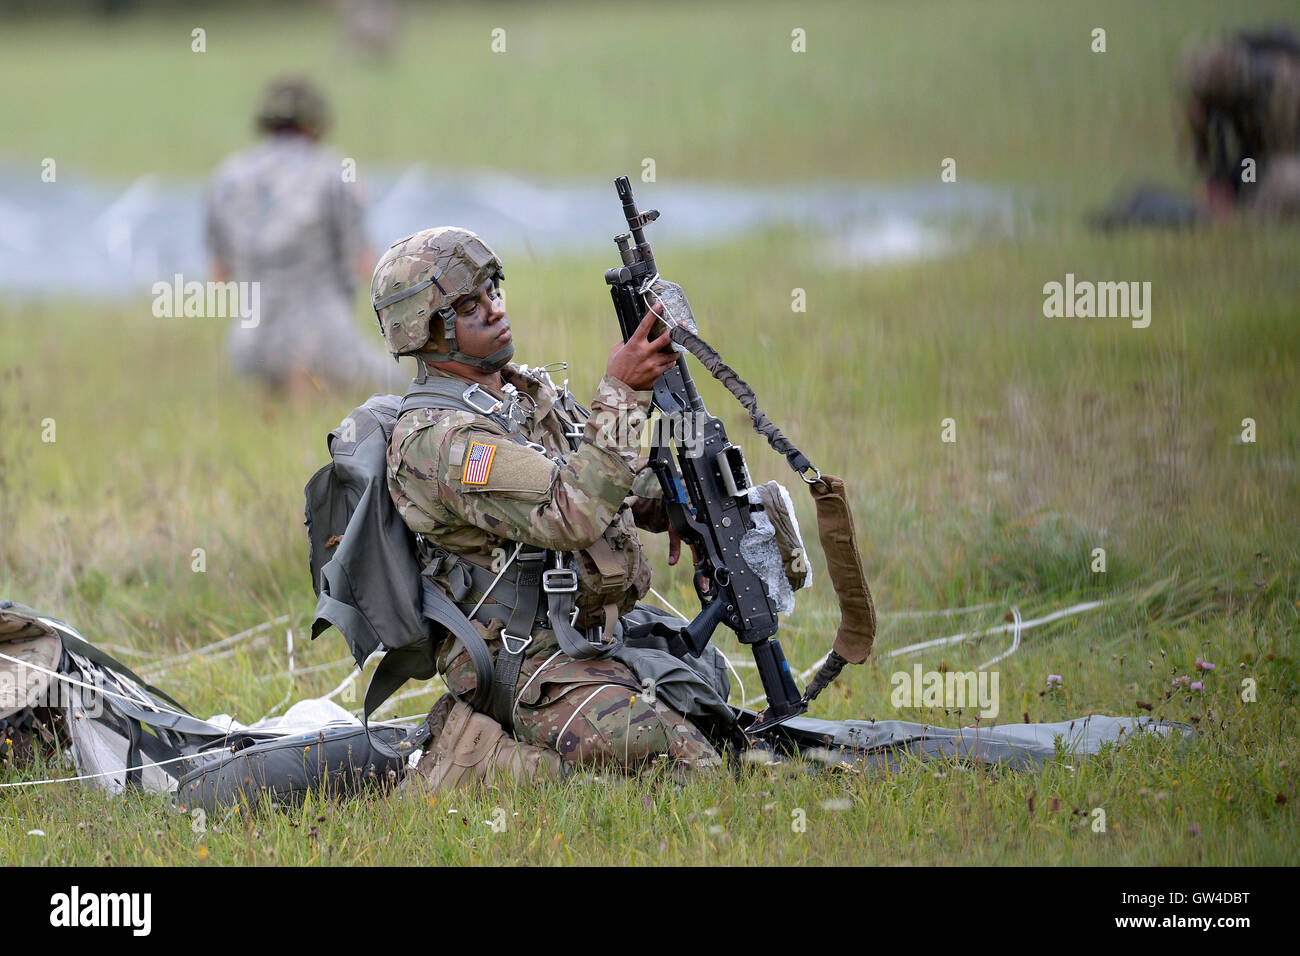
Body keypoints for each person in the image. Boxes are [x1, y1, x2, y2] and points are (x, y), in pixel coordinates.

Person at [373, 227, 735, 789]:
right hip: (521, 659)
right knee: (688, 765)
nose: (494, 310)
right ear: (427, 329)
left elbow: (598, 475)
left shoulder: (515, 398)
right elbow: (570, 512)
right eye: (470, 305)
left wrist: (680, 507)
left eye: (494, 290)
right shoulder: (442, 443)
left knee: (712, 696)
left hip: (586, 629)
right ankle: (482, 755)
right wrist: (620, 393)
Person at [206, 75, 396, 399]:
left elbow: (219, 274)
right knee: (397, 386)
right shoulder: (335, 172)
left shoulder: (227, 176)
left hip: (251, 346)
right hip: (325, 341)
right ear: (316, 122)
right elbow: (365, 264)